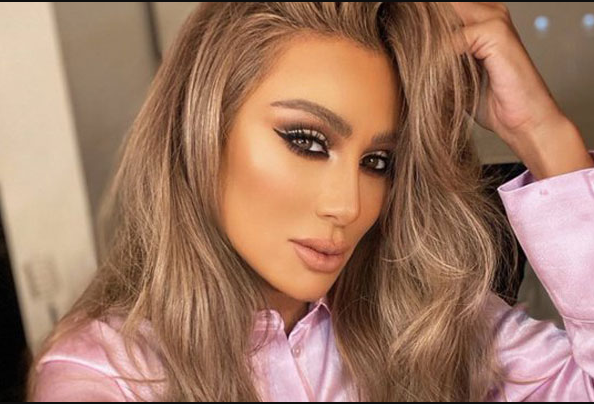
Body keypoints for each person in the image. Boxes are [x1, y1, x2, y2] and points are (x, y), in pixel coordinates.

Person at [27, 2, 594, 401]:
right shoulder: (104, 378)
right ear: (202, 130)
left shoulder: (429, 323)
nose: (348, 206)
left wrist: (543, 133)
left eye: (378, 162)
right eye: (306, 141)